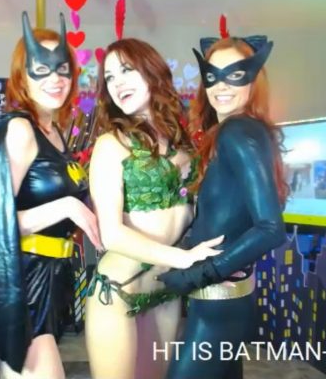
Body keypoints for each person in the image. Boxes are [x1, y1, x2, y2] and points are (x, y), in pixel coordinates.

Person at [0, 12, 100, 379]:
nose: (55, 79)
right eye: (41, 69)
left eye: (63, 70)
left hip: (53, 277)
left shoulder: (54, 131)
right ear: (21, 76)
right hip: (23, 282)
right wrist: (67, 206)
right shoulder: (19, 129)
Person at [85, 38, 223, 379]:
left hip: (164, 292)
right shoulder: (110, 145)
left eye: (126, 70)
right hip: (118, 290)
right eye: (110, 77)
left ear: (152, 71)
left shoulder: (185, 145)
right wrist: (184, 259)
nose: (117, 83)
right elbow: (111, 234)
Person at [158, 35, 289, 379]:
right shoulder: (237, 131)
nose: (221, 85)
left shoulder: (238, 132)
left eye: (235, 75)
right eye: (213, 75)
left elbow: (271, 228)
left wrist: (198, 275)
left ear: (254, 79)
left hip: (219, 301)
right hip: (224, 298)